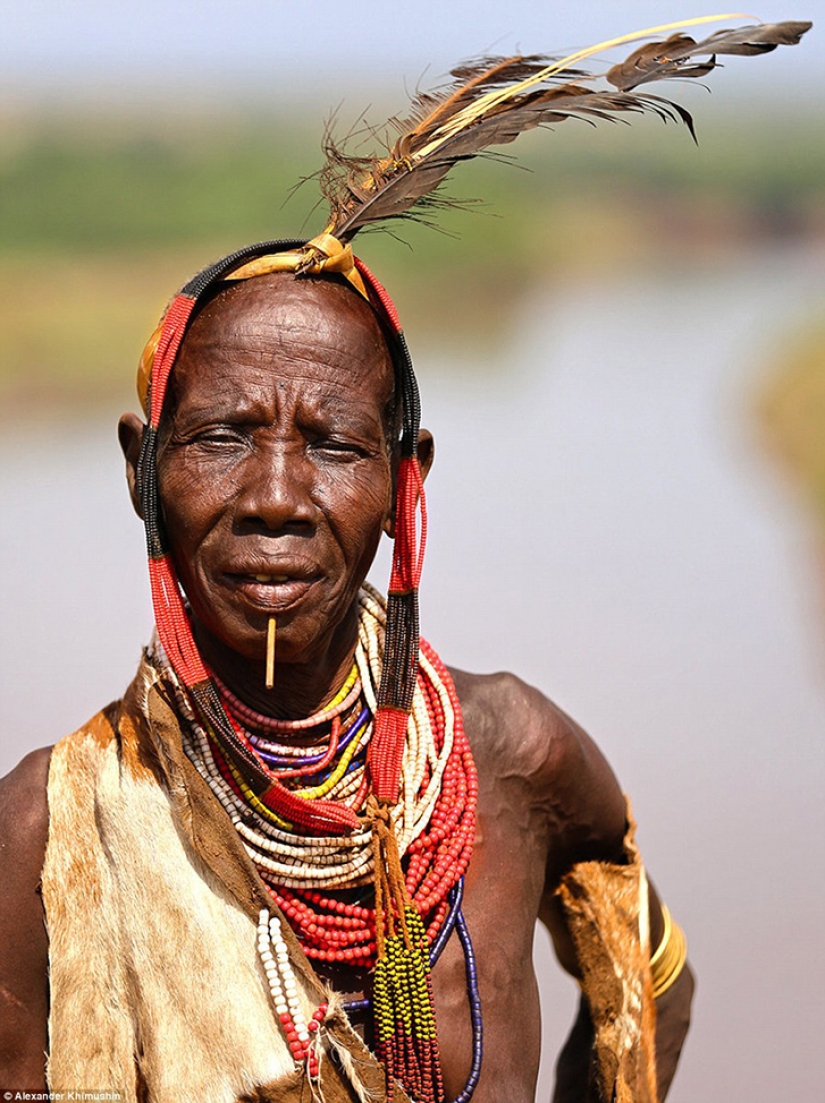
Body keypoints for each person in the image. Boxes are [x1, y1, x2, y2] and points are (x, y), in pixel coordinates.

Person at [0, 19, 811, 1101]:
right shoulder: (47, 836)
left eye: (333, 444)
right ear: (139, 468)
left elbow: (653, 990)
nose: (278, 498)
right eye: (222, 436)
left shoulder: (515, 755)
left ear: (404, 483)